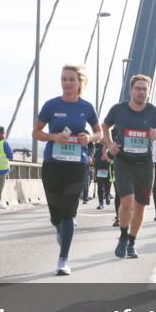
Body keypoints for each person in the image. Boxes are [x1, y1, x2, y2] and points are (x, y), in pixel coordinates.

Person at [33, 64, 100, 276]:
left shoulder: (87, 107)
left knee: (69, 212)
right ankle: (60, 228)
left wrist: (89, 138)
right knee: (56, 215)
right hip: (53, 163)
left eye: (71, 79)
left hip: (77, 164)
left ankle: (63, 259)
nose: (67, 83)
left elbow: (99, 133)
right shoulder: (51, 105)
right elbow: (36, 132)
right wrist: (53, 137)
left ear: (80, 83)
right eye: (64, 79)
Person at [101, 74, 156, 259]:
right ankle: (123, 237)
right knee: (127, 202)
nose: (141, 92)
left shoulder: (154, 112)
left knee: (140, 207)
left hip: (145, 165)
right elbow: (104, 126)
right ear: (131, 90)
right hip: (123, 162)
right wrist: (110, 146)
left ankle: (132, 242)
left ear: (148, 93)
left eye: (144, 89)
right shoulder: (119, 109)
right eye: (138, 88)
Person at [92, 141, 112, 210]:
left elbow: (112, 159)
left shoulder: (109, 144)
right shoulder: (97, 145)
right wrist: (93, 160)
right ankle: (101, 203)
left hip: (107, 169)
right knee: (100, 187)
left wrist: (107, 158)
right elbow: (94, 156)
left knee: (107, 185)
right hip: (99, 169)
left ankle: (107, 195)